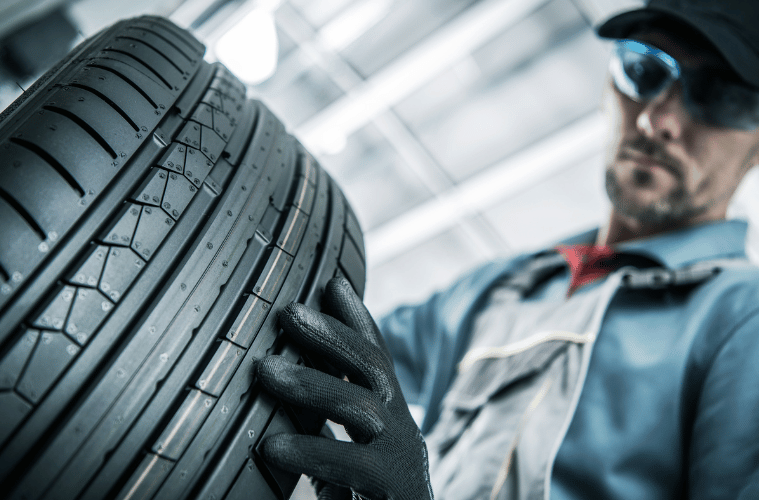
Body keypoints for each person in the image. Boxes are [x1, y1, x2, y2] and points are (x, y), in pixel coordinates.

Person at [255, 0, 759, 498]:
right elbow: (329, 338)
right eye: (643, 71)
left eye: (718, 96)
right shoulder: (500, 286)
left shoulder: (744, 320)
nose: (656, 121)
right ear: (609, 85)